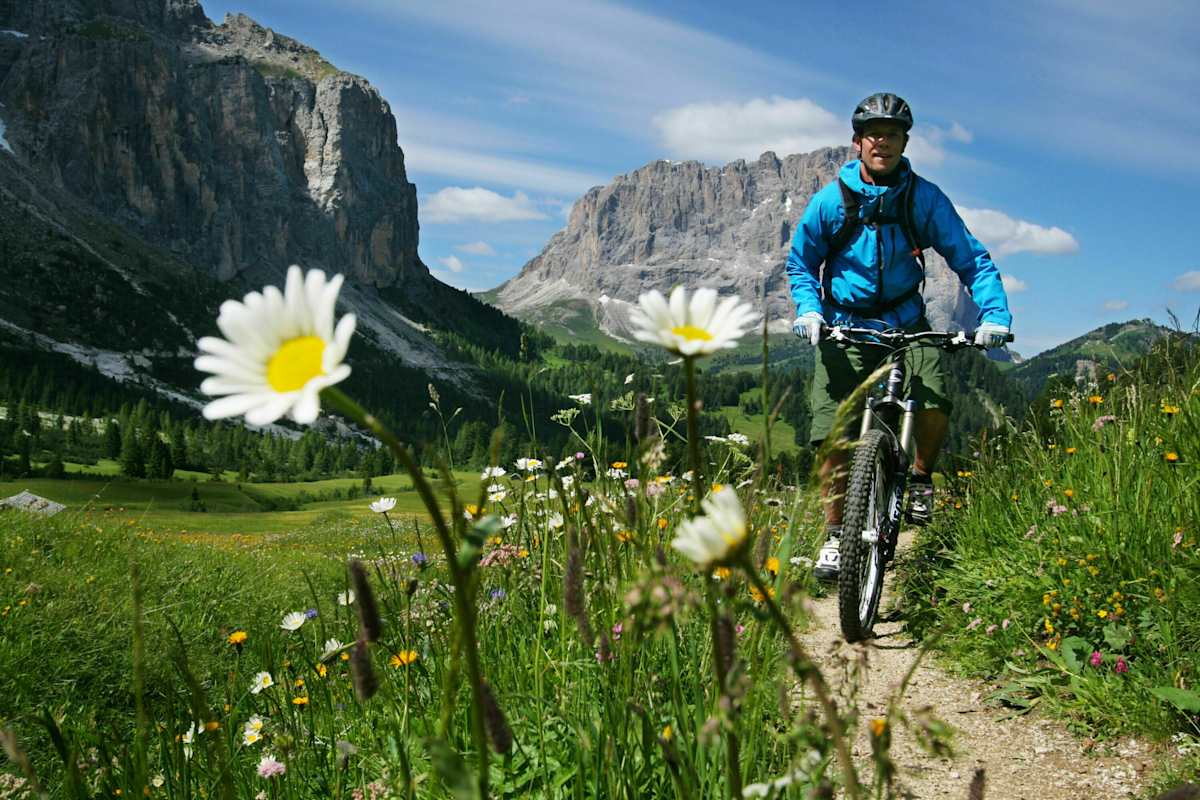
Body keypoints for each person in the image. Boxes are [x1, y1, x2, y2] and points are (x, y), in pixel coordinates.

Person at [785, 92, 1012, 581]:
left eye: (892, 133)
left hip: (907, 321)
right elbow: (801, 262)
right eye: (872, 134)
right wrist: (809, 309)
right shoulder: (830, 201)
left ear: (905, 141)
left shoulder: (923, 198)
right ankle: (833, 534)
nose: (881, 142)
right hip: (844, 324)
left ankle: (921, 478)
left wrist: (994, 313)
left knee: (932, 399)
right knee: (832, 434)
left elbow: (971, 257)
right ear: (857, 142)